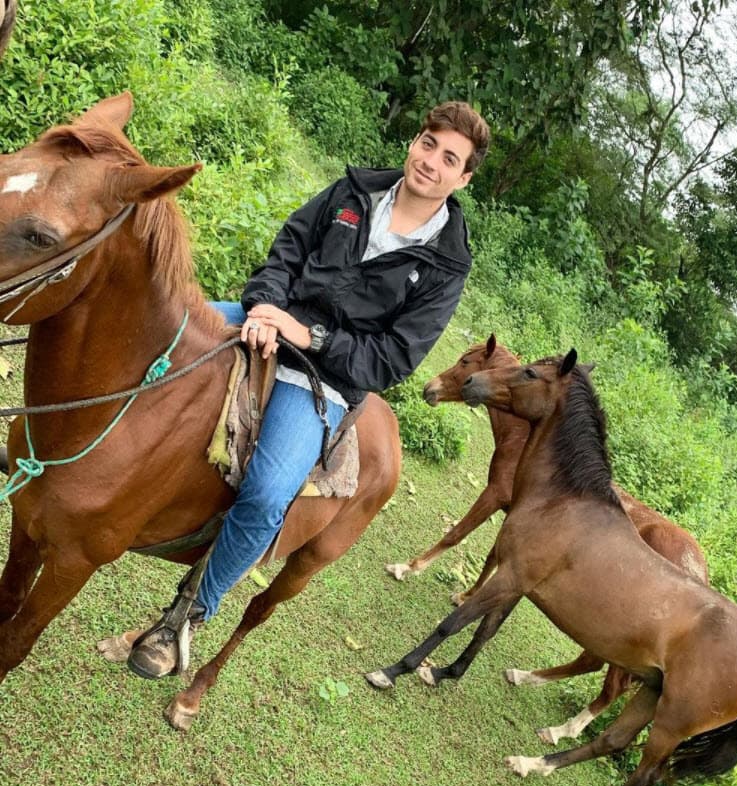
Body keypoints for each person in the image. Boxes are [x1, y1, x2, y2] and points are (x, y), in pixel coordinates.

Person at [127, 101, 491, 679]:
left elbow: (393, 357)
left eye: (450, 159)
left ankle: (188, 615)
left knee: (270, 492)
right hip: (268, 319)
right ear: (414, 142)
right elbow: (288, 249)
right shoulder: (351, 193)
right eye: (428, 143)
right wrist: (265, 306)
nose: (431, 162)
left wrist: (310, 335)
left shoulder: (447, 267)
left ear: (463, 178)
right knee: (153, 331)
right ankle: (51, 455)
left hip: (325, 377)